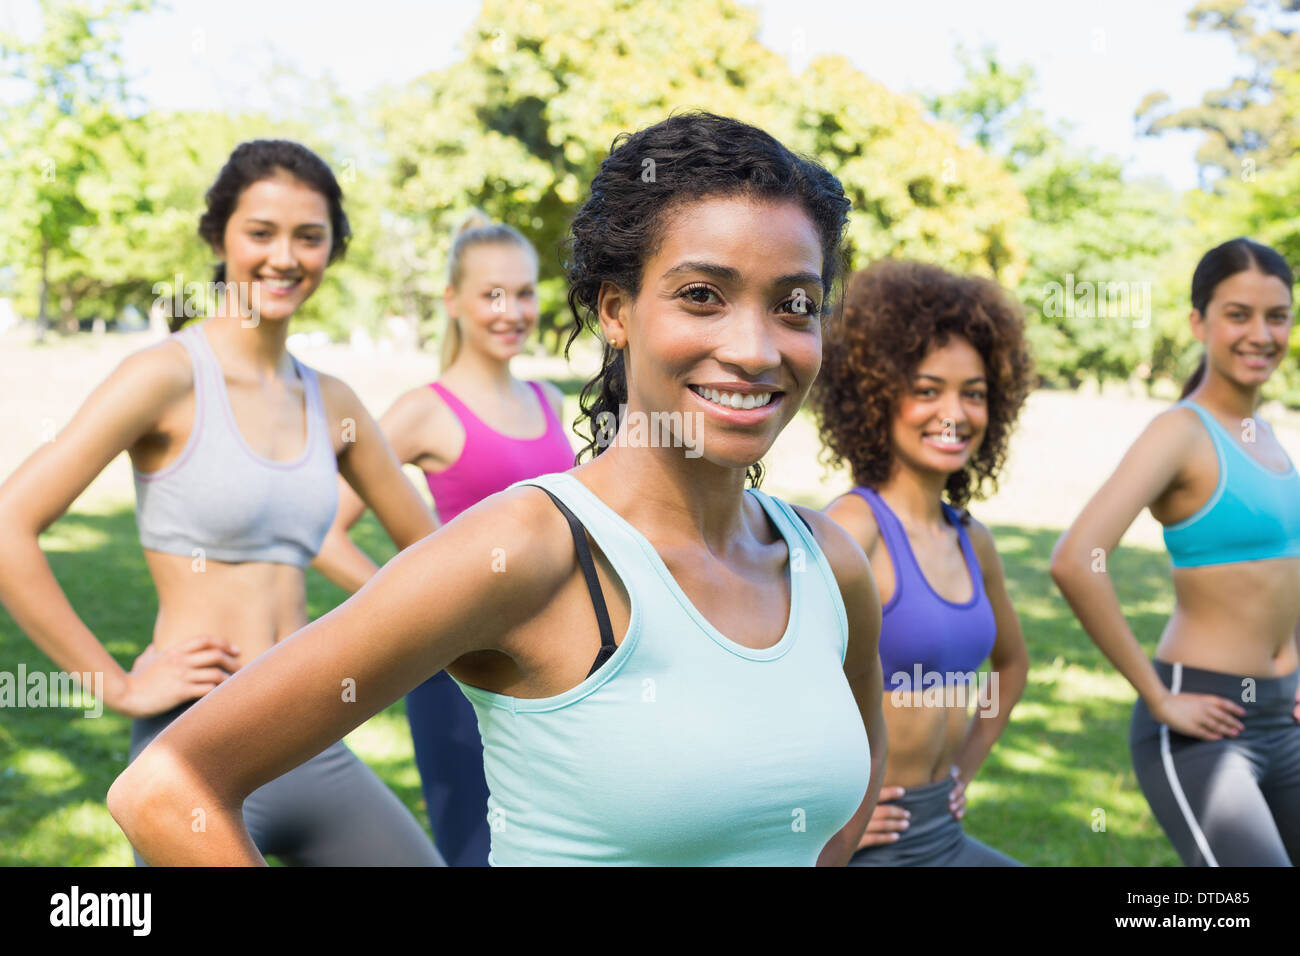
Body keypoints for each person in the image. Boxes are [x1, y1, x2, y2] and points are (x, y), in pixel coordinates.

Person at [106, 111, 888, 866]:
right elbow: (169, 789)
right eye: (701, 296)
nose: (754, 349)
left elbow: (842, 794)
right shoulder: (528, 549)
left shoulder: (831, 566)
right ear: (616, 310)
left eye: (795, 305)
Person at [0, 139, 443, 866]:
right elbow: (10, 525)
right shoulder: (165, 378)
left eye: (310, 236)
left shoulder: (333, 402)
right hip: (196, 748)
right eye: (260, 232)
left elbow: (433, 562)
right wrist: (115, 685)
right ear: (219, 238)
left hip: (311, 738)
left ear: (333, 248)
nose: (285, 257)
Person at [312, 210, 573, 866]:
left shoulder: (549, 400)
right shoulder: (423, 410)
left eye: (524, 291)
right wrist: (425, 610)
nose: (512, 309)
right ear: (453, 301)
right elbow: (321, 531)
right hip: (458, 676)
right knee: (475, 850)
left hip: (559, 663)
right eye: (492, 294)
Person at [1051, 237, 1300, 866]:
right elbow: (1078, 558)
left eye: (1277, 316)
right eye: (1237, 314)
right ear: (1199, 322)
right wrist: (1159, 698)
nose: (1261, 334)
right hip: (1206, 722)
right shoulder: (1180, 433)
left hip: (1285, 716)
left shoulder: (1267, 435)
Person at [811, 260, 1032, 866]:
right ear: (876, 394)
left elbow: (1010, 669)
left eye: (975, 394)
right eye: (928, 389)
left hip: (943, 826)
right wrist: (829, 811)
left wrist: (964, 768)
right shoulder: (853, 530)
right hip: (866, 843)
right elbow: (763, 693)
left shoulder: (972, 539)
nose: (955, 413)